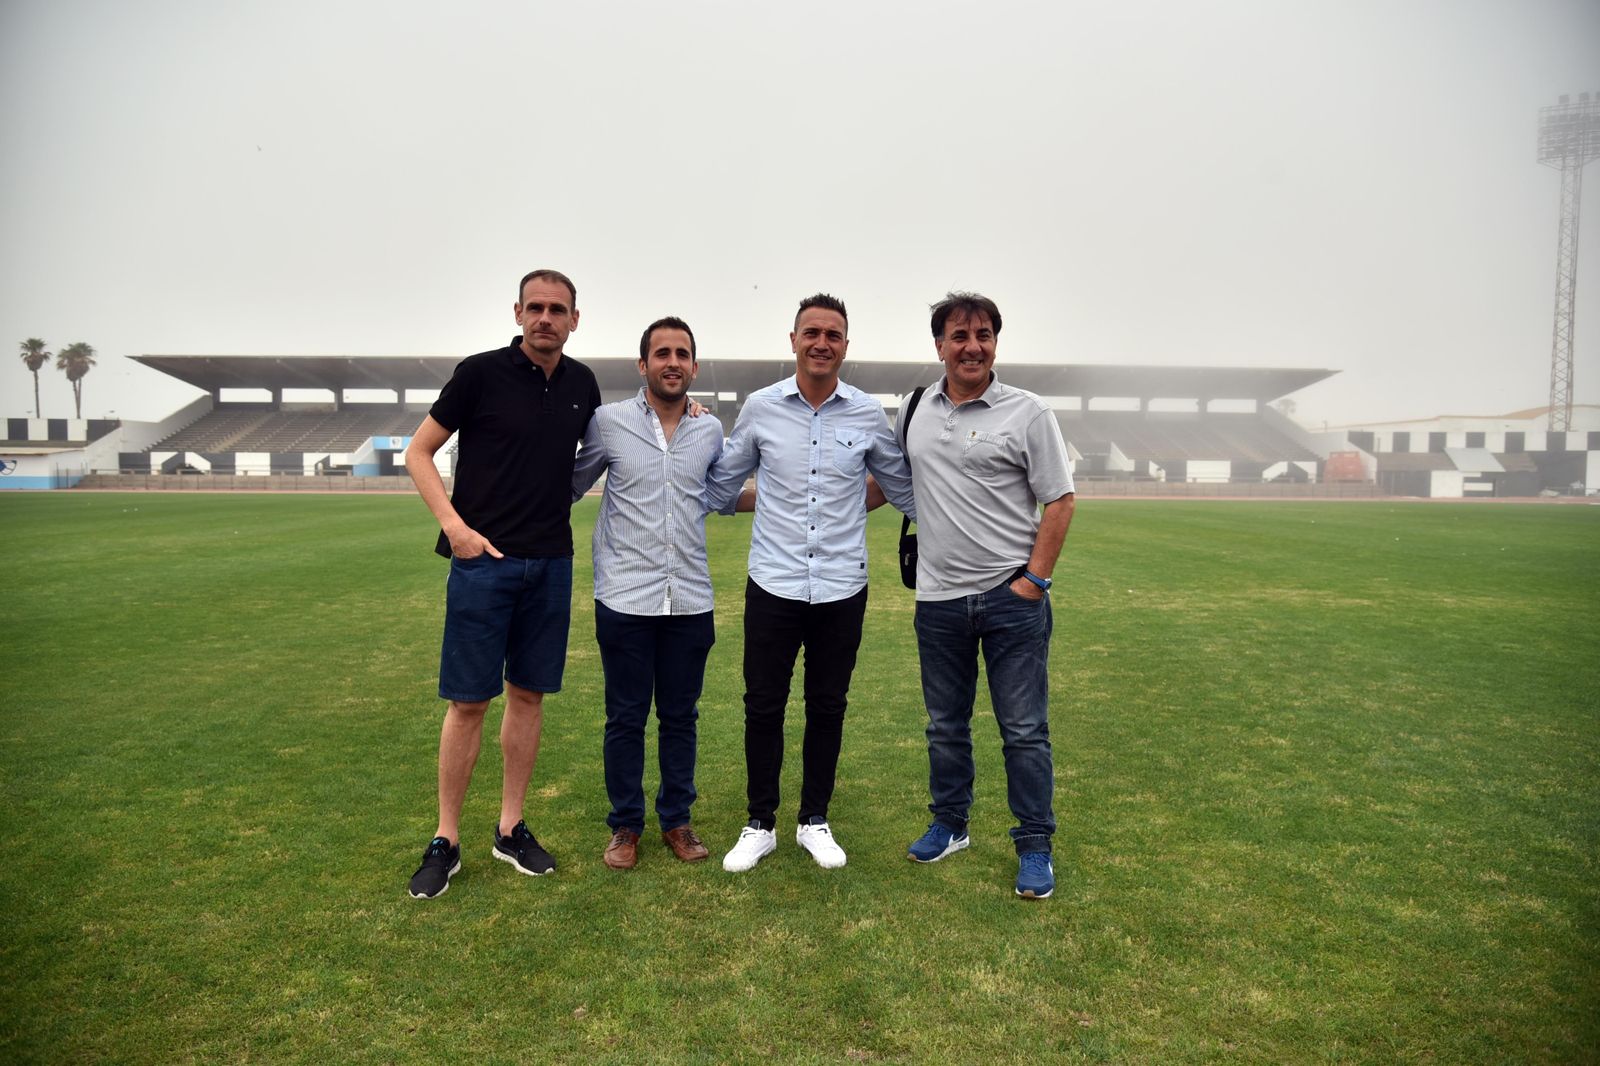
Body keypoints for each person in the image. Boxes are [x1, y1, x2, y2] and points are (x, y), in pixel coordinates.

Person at [404, 268, 601, 899]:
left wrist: (690, 407)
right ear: (518, 313)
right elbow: (419, 451)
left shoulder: (583, 384)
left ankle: (510, 827)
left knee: (529, 697)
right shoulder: (480, 373)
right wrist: (454, 528)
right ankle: (446, 838)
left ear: (576, 319)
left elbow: (621, 435)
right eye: (536, 307)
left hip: (551, 561)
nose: (546, 318)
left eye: (558, 309)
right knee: (468, 703)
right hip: (482, 562)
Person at [704, 293, 915, 873]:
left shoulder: (868, 413)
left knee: (829, 706)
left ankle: (814, 820)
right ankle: (760, 823)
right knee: (762, 706)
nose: (822, 343)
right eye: (811, 332)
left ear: (846, 345)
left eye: (833, 334)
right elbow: (721, 487)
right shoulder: (760, 407)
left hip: (843, 587)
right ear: (793, 340)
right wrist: (700, 431)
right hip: (772, 584)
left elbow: (901, 487)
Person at [897, 291, 1075, 900]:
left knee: (1024, 729)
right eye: (959, 335)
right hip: (939, 600)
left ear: (995, 343)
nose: (972, 346)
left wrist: (1034, 581)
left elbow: (1061, 498)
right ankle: (950, 825)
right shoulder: (915, 407)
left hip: (1010, 599)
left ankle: (1034, 846)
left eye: (983, 335)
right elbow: (884, 478)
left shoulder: (1027, 412)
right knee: (945, 726)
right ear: (939, 345)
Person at [570, 316, 725, 870]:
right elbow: (570, 482)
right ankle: (625, 826)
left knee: (681, 717)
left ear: (694, 366)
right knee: (626, 717)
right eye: (662, 353)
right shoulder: (608, 423)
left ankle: (677, 822)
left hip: (689, 598)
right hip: (624, 597)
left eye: (682, 353)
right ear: (644, 365)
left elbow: (722, 493)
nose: (672, 362)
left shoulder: (710, 429)